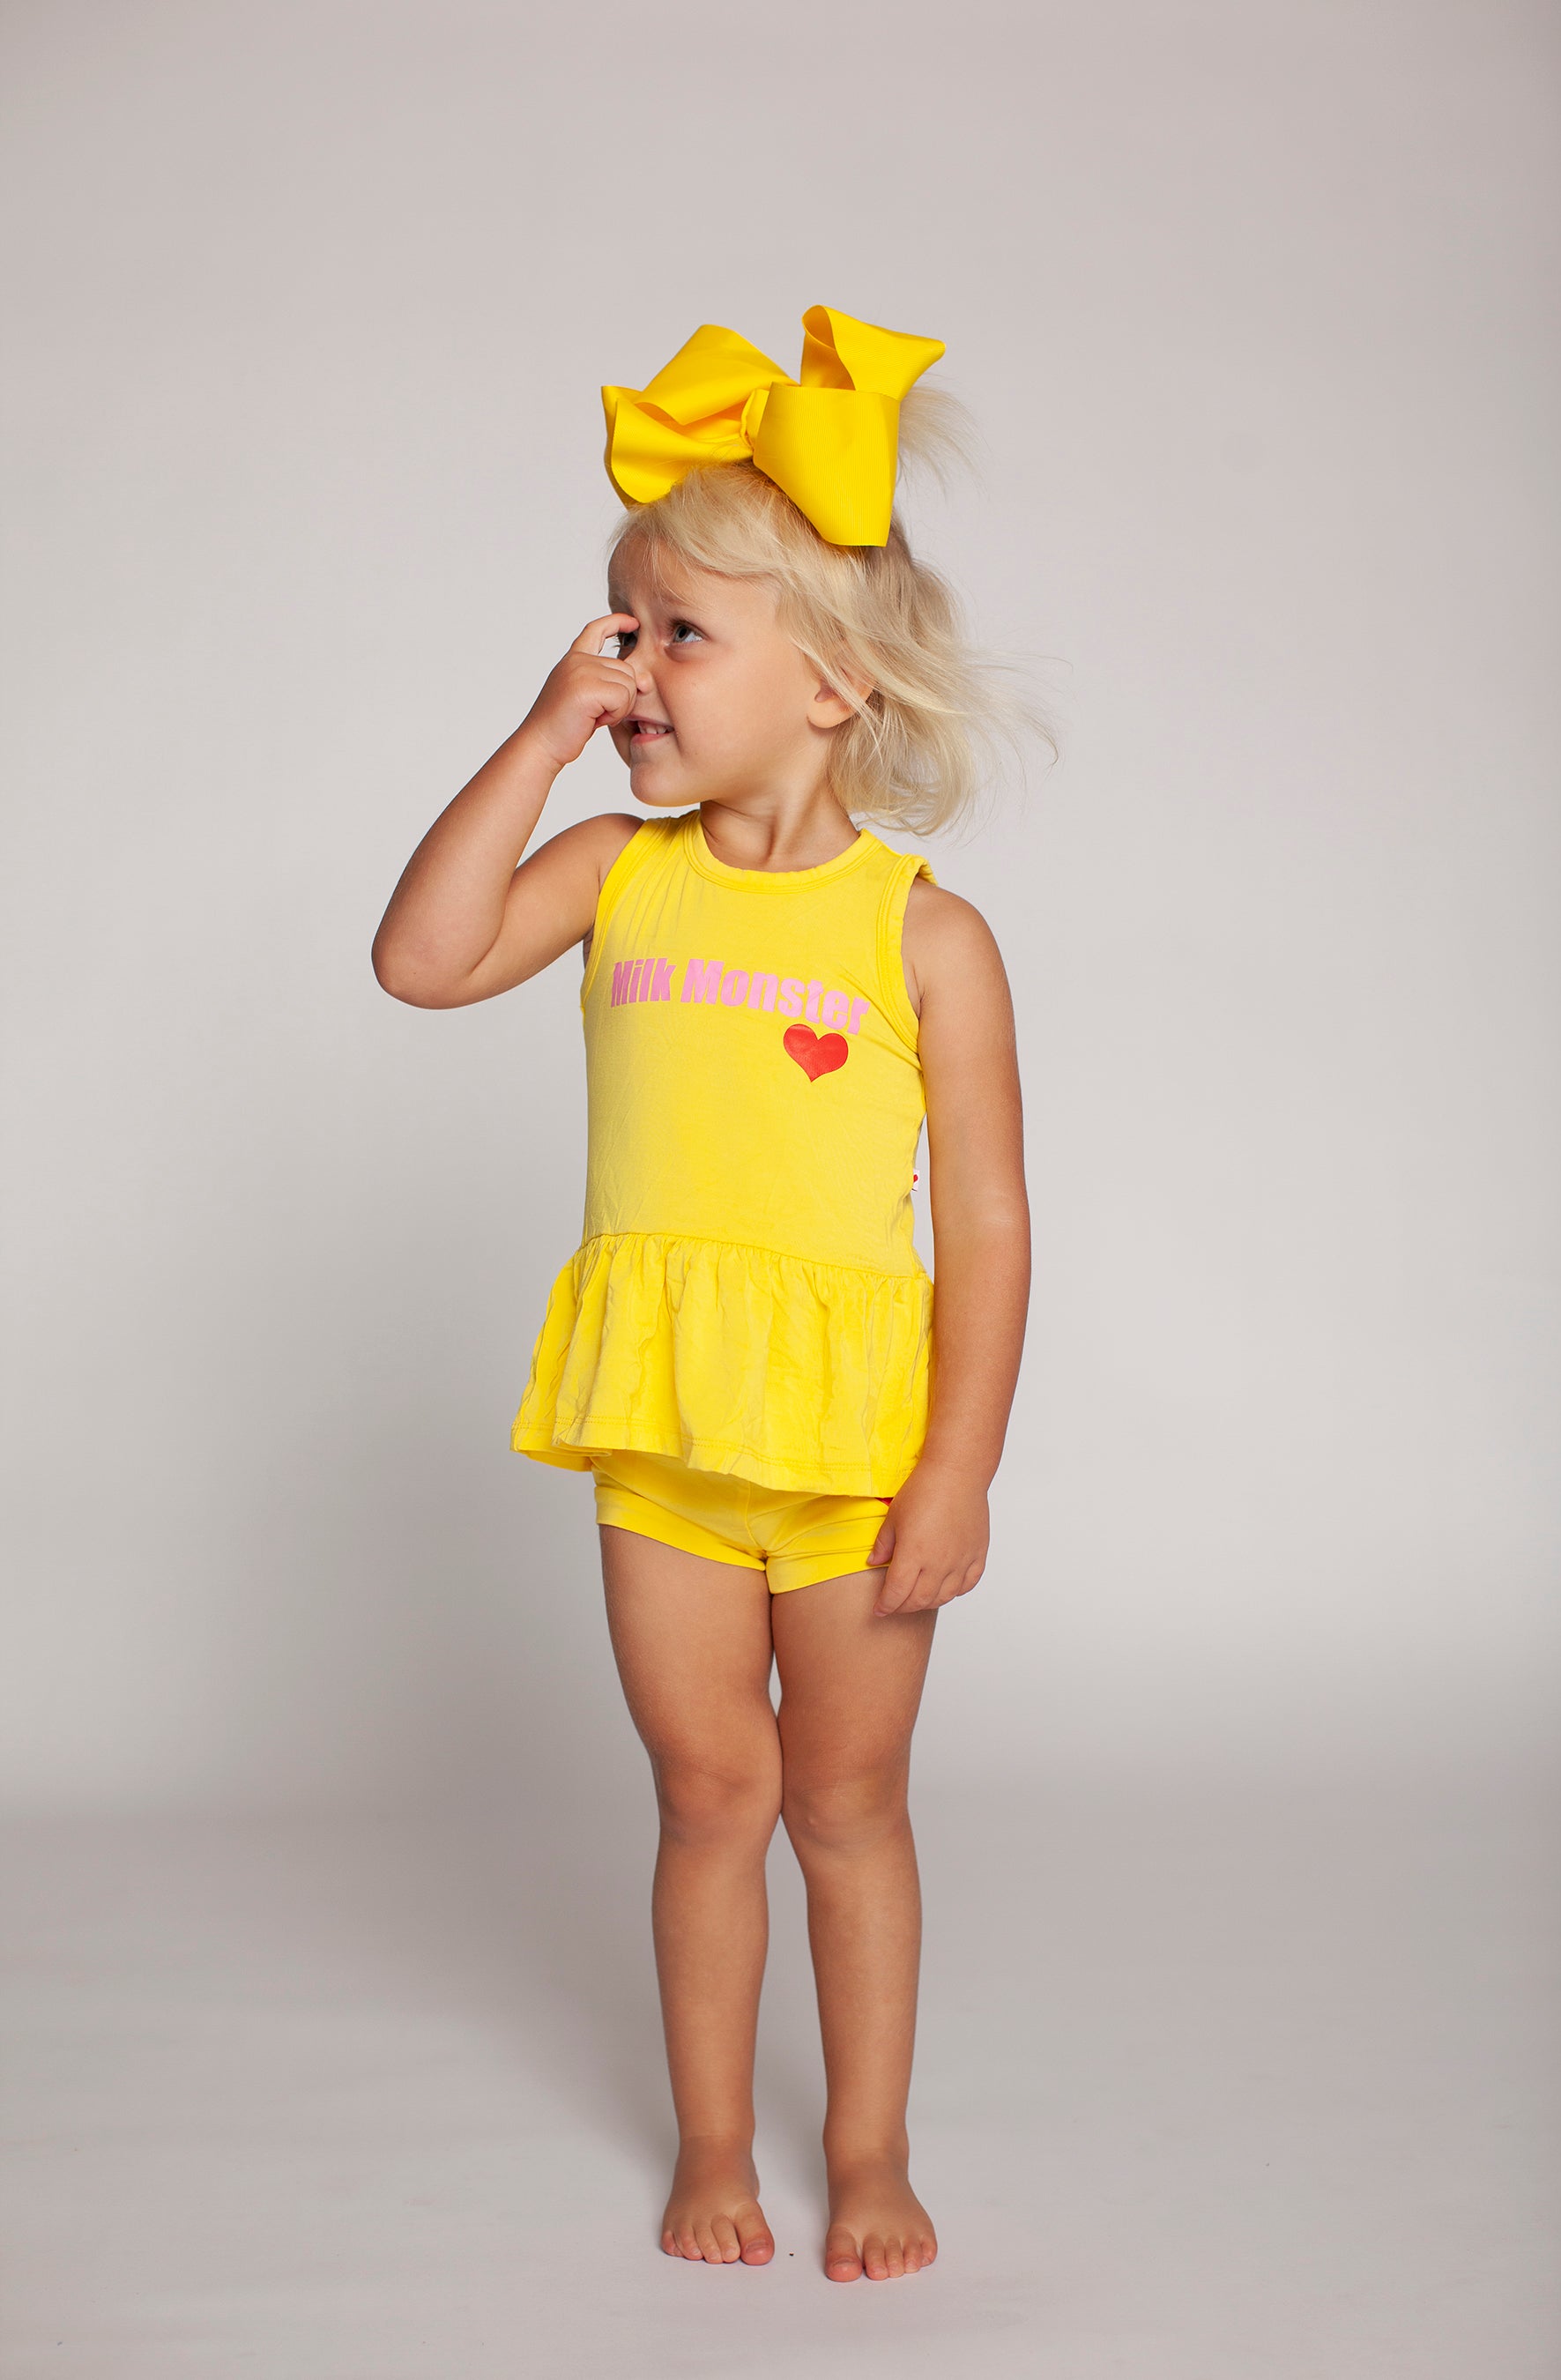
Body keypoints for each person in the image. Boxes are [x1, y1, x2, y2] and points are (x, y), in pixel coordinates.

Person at [372, 308, 1035, 2284]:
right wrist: (538, 738)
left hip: (853, 1454)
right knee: (706, 1792)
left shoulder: (925, 936)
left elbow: (991, 1223)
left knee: (847, 1802)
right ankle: (718, 2141)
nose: (631, 665)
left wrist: (961, 1470)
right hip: (662, 1430)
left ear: (832, 683)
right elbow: (421, 961)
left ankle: (872, 2148)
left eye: (678, 635)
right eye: (621, 624)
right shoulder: (615, 872)